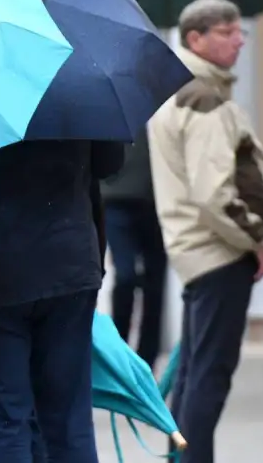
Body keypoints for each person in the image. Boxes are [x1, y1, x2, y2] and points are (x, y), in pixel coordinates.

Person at [148, 0, 263, 463]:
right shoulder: (202, 97)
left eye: (238, 30)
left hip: (201, 251)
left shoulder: (190, 89)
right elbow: (214, 193)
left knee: (193, 374)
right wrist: (258, 240)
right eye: (226, 31)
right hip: (218, 251)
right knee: (208, 375)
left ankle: (180, 457)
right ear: (195, 39)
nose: (239, 39)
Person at [0, 137, 122, 463]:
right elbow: (109, 163)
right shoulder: (74, 89)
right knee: (69, 421)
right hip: (67, 260)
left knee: (4, 423)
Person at [101, 130, 166, 368]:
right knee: (125, 275)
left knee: (155, 281)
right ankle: (118, 352)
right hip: (116, 199)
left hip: (156, 200)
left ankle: (147, 358)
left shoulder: (162, 102)